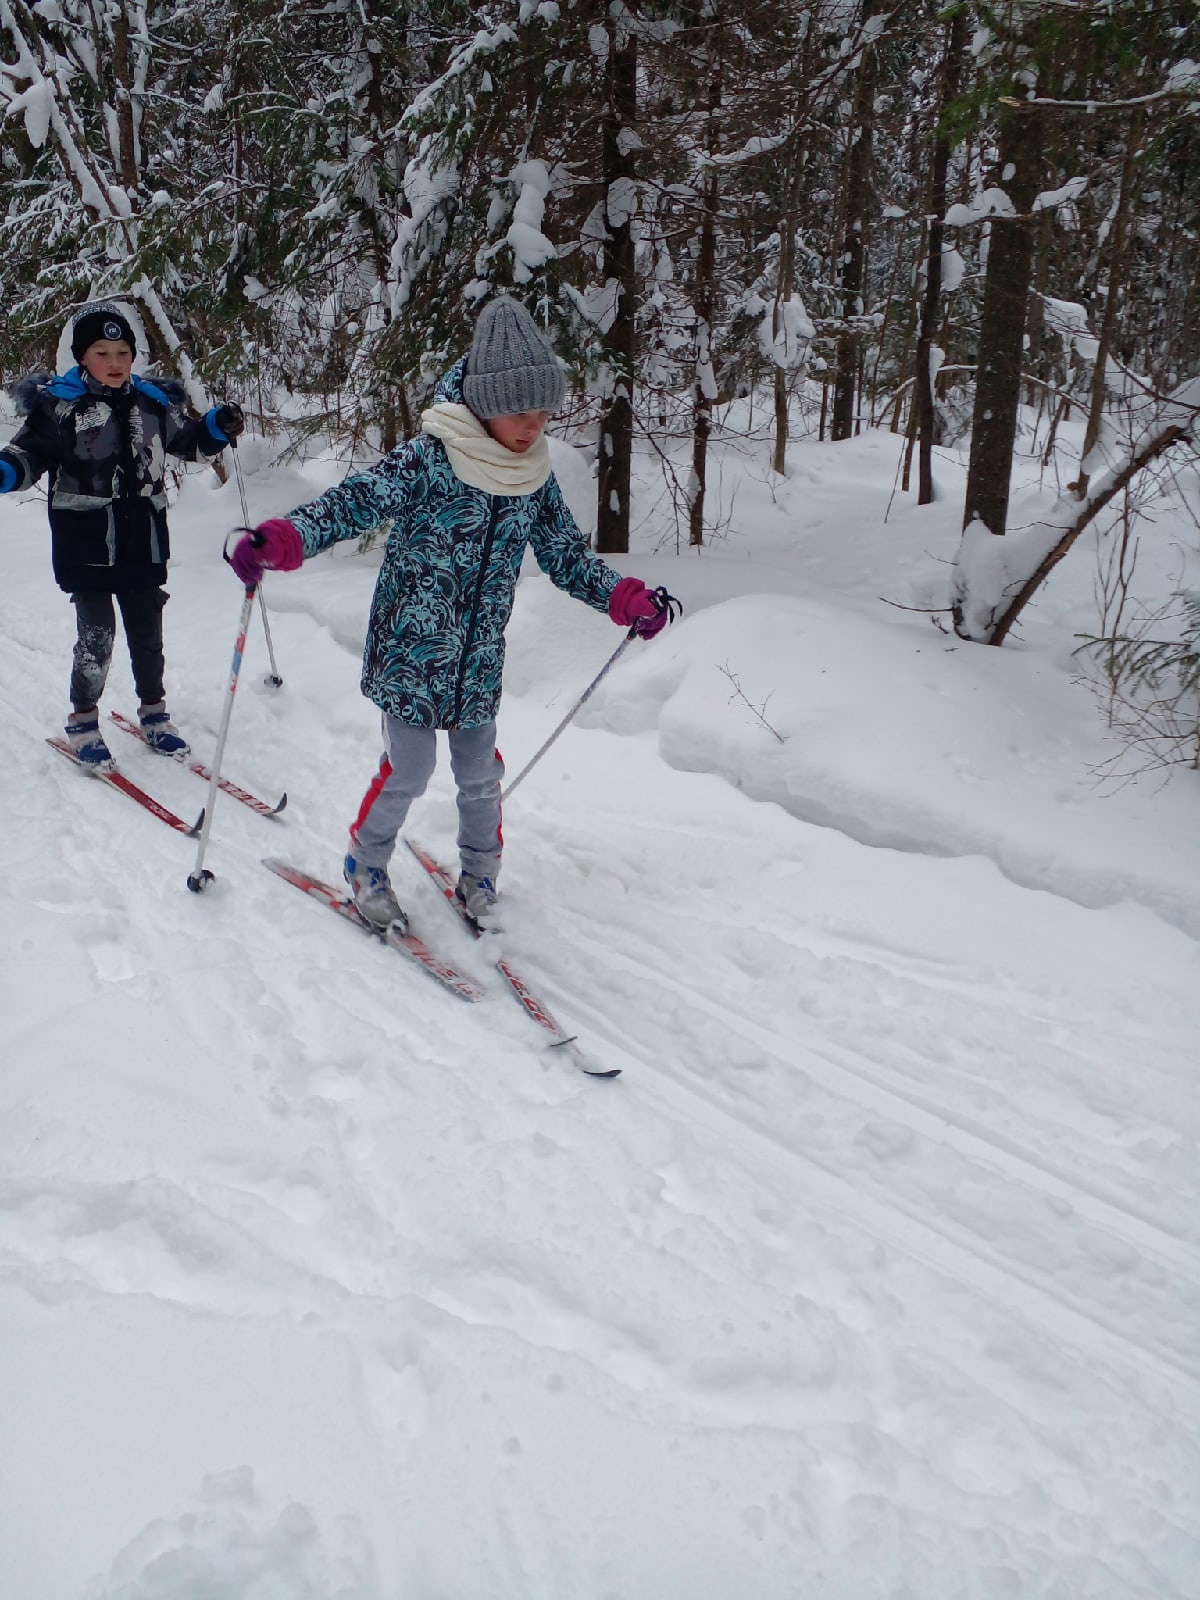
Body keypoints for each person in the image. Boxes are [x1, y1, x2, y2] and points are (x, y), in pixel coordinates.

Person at [229, 295, 677, 930]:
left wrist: (621, 596)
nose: (533, 426)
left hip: (478, 662)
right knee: (410, 769)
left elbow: (564, 555)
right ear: (486, 406)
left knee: (480, 775)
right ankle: (366, 863)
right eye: (520, 412)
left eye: (544, 413)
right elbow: (353, 503)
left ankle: (481, 877)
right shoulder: (429, 460)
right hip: (412, 651)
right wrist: (288, 538)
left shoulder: (532, 476)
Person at [0, 300, 245, 769]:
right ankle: (84, 721)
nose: (114, 363)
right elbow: (26, 457)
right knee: (97, 636)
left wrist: (216, 426)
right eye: (101, 352)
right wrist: (5, 471)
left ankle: (154, 715)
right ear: (81, 358)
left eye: (122, 353)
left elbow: (189, 443)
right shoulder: (59, 407)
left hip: (143, 538)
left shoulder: (152, 403)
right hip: (85, 541)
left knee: (147, 631)